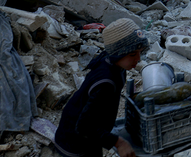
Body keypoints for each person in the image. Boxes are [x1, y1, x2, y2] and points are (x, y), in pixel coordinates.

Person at [55, 18, 147, 157]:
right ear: (118, 53)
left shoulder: (114, 63)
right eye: (132, 54)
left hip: (90, 136)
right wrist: (118, 142)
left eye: (140, 52)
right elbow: (84, 126)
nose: (138, 59)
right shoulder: (106, 82)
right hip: (75, 143)